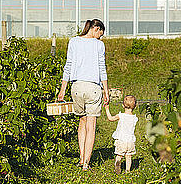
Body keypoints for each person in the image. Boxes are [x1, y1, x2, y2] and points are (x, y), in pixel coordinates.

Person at [57, 19, 109, 171]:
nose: (100, 37)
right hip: (93, 87)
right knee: (91, 127)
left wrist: (62, 89)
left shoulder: (73, 41)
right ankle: (86, 163)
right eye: (100, 33)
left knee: (82, 122)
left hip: (76, 87)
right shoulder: (99, 45)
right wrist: (106, 90)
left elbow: (69, 65)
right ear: (95, 28)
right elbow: (102, 68)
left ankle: (81, 158)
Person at [104, 95, 138, 174]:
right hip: (130, 141)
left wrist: (107, 109)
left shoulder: (121, 116)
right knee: (128, 156)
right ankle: (128, 170)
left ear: (123, 105)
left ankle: (118, 163)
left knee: (119, 155)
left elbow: (110, 118)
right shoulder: (134, 118)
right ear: (135, 106)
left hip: (121, 140)